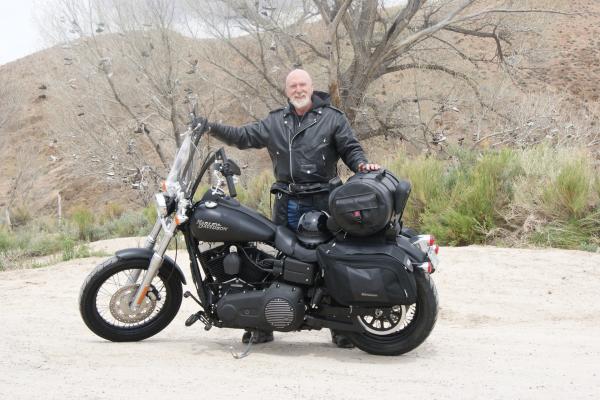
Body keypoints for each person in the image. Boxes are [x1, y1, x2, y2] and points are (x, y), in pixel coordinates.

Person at [202, 69, 380, 348]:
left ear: (311, 87)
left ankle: (342, 327)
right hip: (288, 201)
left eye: (302, 85)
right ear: (287, 91)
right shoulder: (275, 122)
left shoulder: (333, 118)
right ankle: (263, 325)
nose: (298, 89)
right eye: (293, 86)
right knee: (274, 263)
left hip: (324, 200)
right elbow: (242, 136)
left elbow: (351, 149)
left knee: (330, 263)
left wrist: (361, 165)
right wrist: (211, 127)